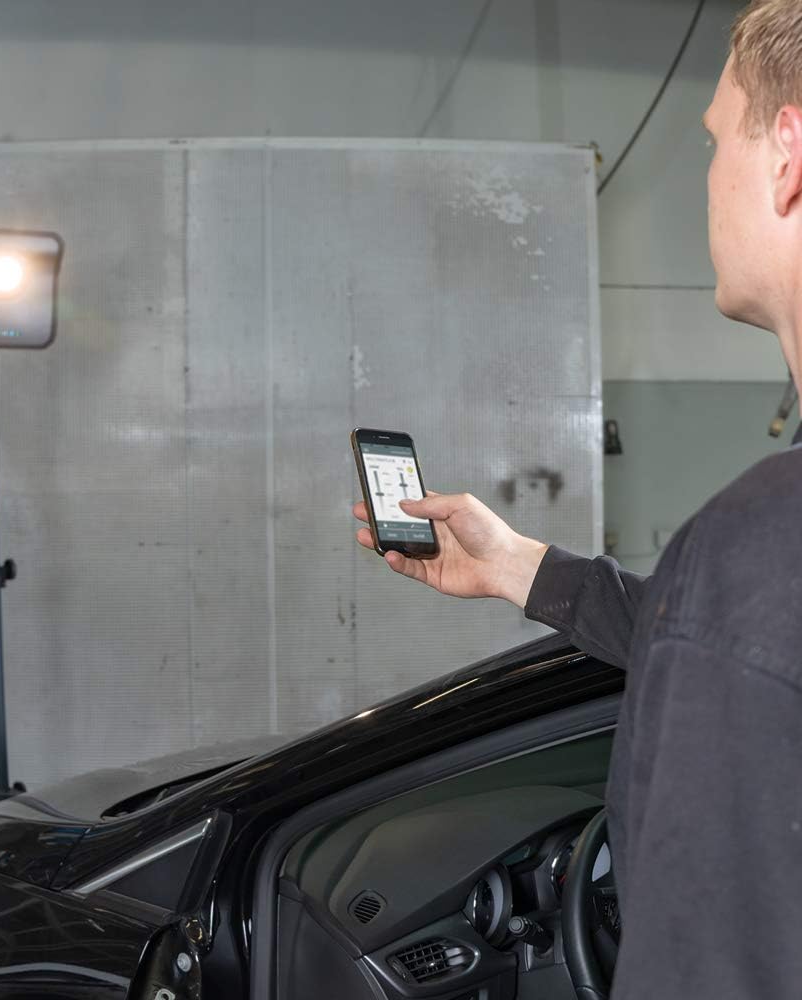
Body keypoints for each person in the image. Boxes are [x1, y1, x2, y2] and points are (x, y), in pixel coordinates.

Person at [354, 2, 802, 997]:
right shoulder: (759, 566)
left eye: (715, 142)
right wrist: (517, 565)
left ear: (787, 154)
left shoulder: (760, 540)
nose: (706, 177)